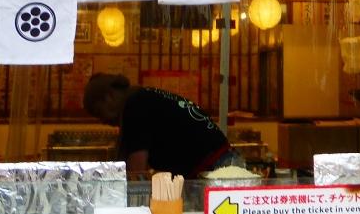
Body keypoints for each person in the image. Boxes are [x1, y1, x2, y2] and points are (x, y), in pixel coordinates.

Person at [84, 73, 242, 178]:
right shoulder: (143, 97)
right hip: (225, 163)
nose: (102, 121)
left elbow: (136, 171)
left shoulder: (135, 106)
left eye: (98, 112)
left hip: (215, 170)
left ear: (109, 97)